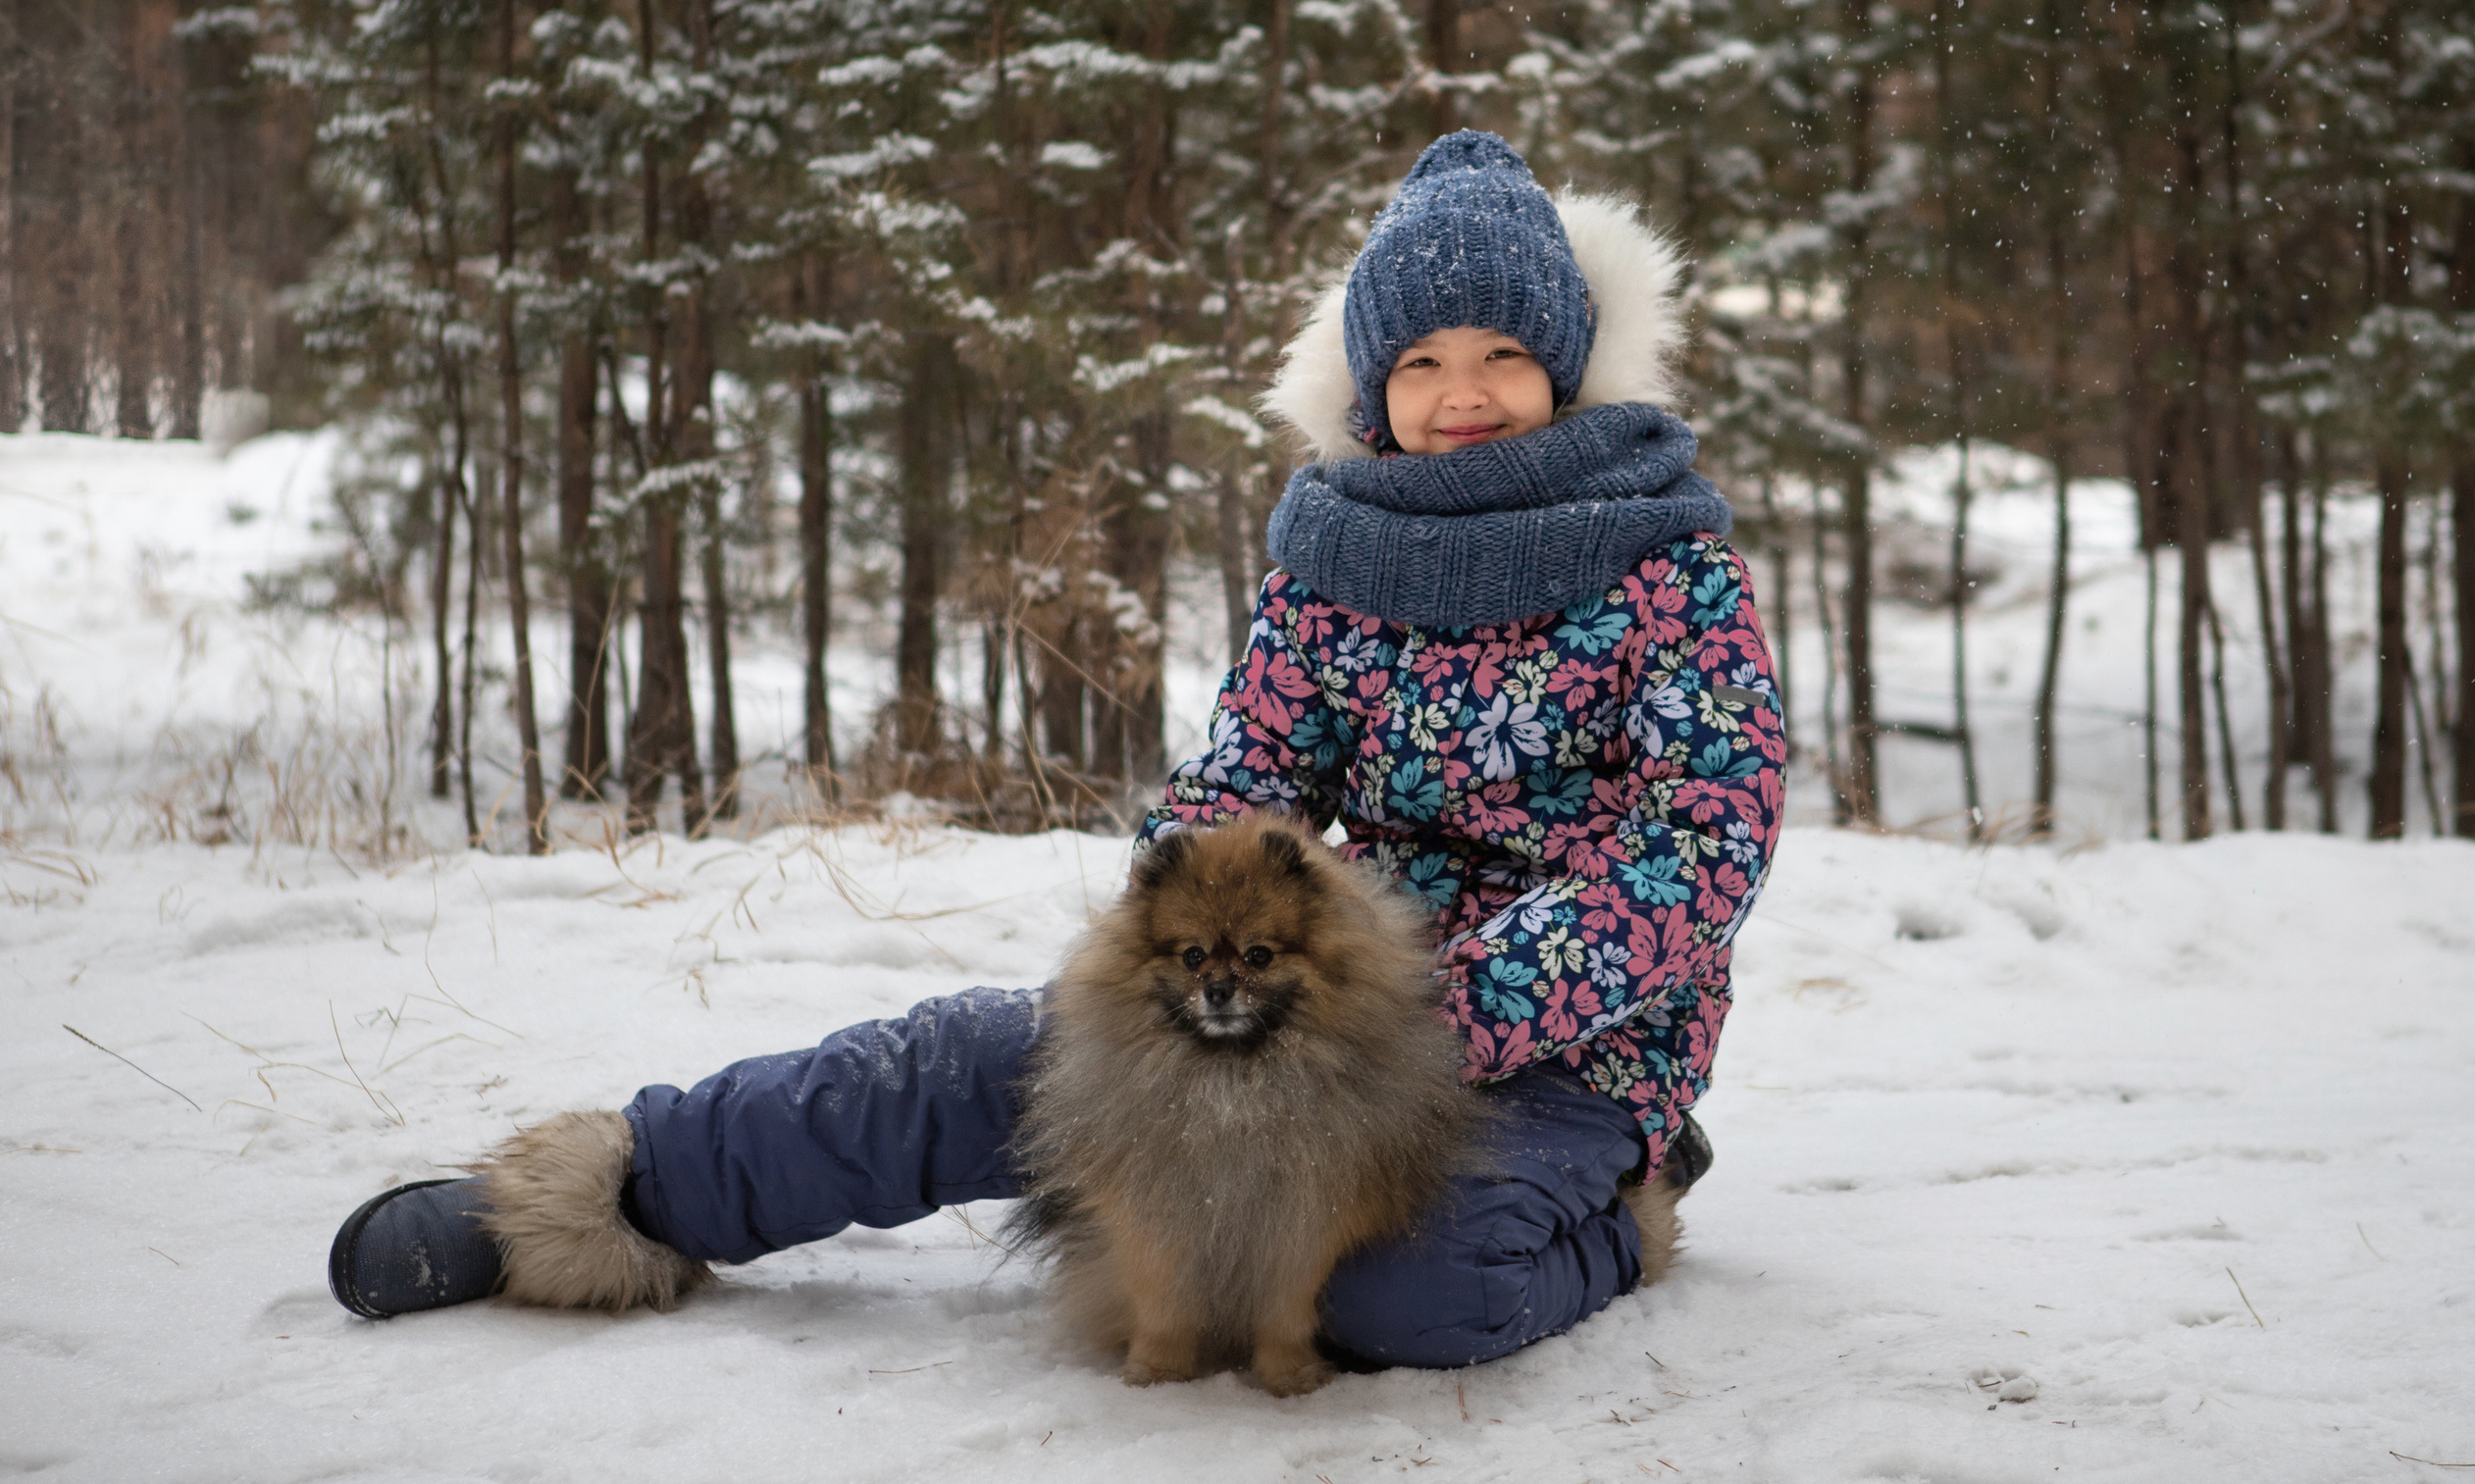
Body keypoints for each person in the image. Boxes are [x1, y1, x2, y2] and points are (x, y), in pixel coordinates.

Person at [330, 129, 1784, 1372]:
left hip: (1555, 1042)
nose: (1462, 391)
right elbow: (1253, 773)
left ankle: (1623, 1207)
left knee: (1406, 1287)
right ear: (1370, 386)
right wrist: (1181, 899)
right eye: (1421, 359)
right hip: (1300, 993)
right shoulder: (1334, 556)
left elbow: (1699, 840)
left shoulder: (1664, 564)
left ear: (1568, 366)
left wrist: (1467, 1007)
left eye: (1505, 354)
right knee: (964, 1065)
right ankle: (611, 1198)